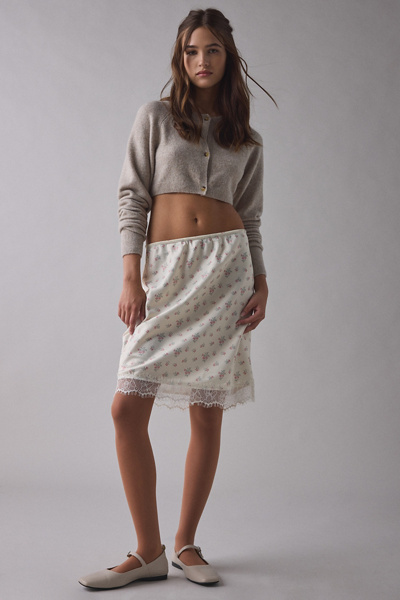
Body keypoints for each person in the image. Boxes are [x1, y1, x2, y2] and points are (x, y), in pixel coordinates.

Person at [78, 7, 276, 590]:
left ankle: (186, 542)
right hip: (163, 274)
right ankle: (148, 551)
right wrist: (130, 276)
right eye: (192, 51)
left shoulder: (247, 139)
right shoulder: (156, 117)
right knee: (126, 408)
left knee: (206, 413)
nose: (201, 61)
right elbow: (132, 197)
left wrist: (262, 281)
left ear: (228, 56)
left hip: (225, 276)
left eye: (212, 50)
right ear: (180, 58)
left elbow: (252, 219)